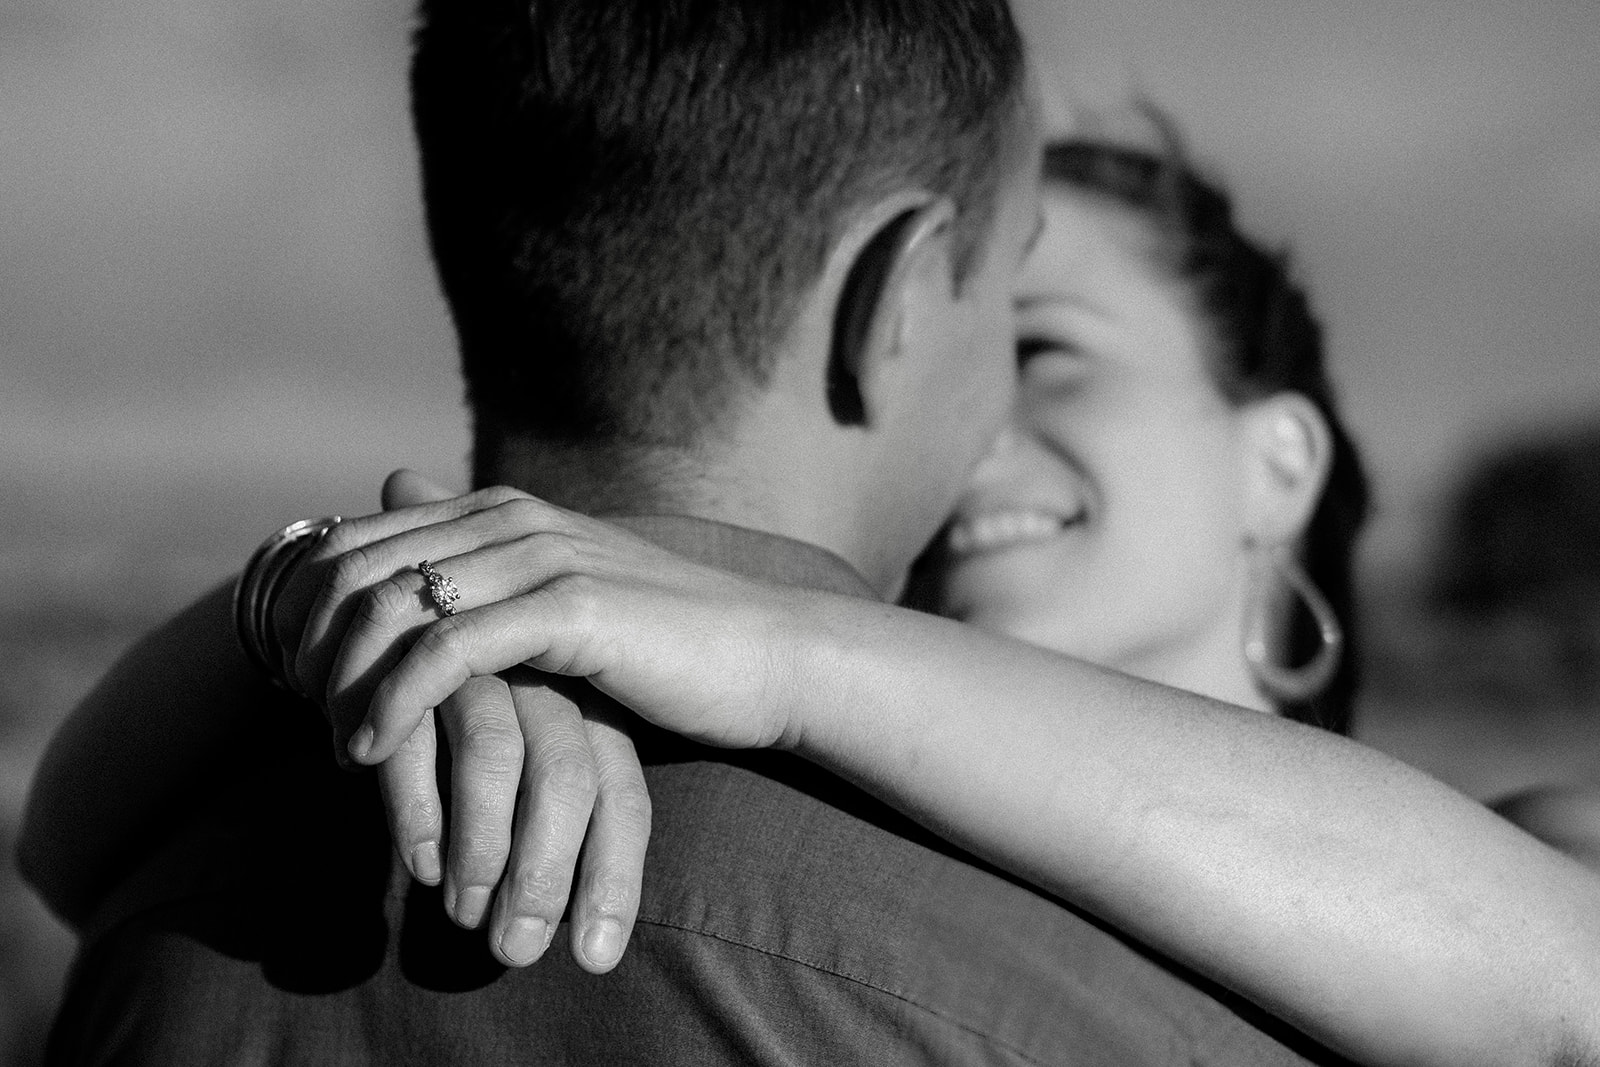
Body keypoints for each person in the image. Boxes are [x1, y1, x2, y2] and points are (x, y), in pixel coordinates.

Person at [24, 91, 1600, 1066]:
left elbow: (1564, 998)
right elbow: (67, 848)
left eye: (1048, 354)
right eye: (978, 346)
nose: (978, 426)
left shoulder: (1545, 844)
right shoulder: (858, 829)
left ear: (1283, 459)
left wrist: (788, 641)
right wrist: (311, 592)